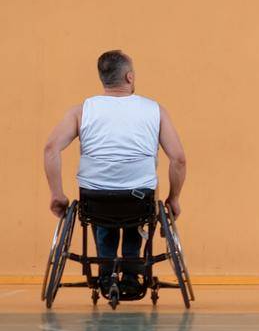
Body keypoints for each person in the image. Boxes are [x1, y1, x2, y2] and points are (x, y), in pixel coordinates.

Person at [41, 50, 188, 290]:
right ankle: (131, 276)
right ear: (129, 77)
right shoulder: (155, 110)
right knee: (139, 210)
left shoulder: (81, 111)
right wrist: (174, 198)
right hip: (139, 200)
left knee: (104, 213)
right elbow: (178, 159)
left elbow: (50, 149)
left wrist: (57, 195)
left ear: (103, 78)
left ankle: (107, 274)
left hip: (95, 201)